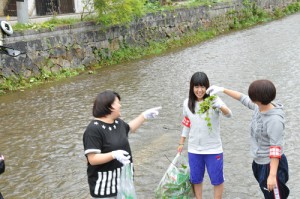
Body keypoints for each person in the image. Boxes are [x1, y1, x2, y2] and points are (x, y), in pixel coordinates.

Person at [206, 79, 289, 199]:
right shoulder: (259, 107)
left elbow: (275, 148)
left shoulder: (274, 120)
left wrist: (272, 175)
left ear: (259, 99)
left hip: (271, 165)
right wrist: (222, 89)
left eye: (252, 96)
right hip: (259, 162)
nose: (250, 98)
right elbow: (242, 98)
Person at [83, 90, 161, 198]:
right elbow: (92, 159)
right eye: (118, 102)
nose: (120, 105)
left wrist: (144, 116)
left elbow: (129, 128)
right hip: (105, 188)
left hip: (123, 182)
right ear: (109, 106)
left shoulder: (117, 123)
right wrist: (113, 155)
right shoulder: (94, 129)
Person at [177, 72, 232, 199]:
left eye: (203, 87)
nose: (199, 90)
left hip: (214, 149)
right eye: (196, 87)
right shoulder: (187, 103)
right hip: (194, 149)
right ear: (192, 87)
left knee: (217, 179)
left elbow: (229, 114)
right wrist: (181, 143)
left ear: (207, 87)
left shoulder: (214, 100)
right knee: (196, 179)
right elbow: (187, 123)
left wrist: (220, 106)